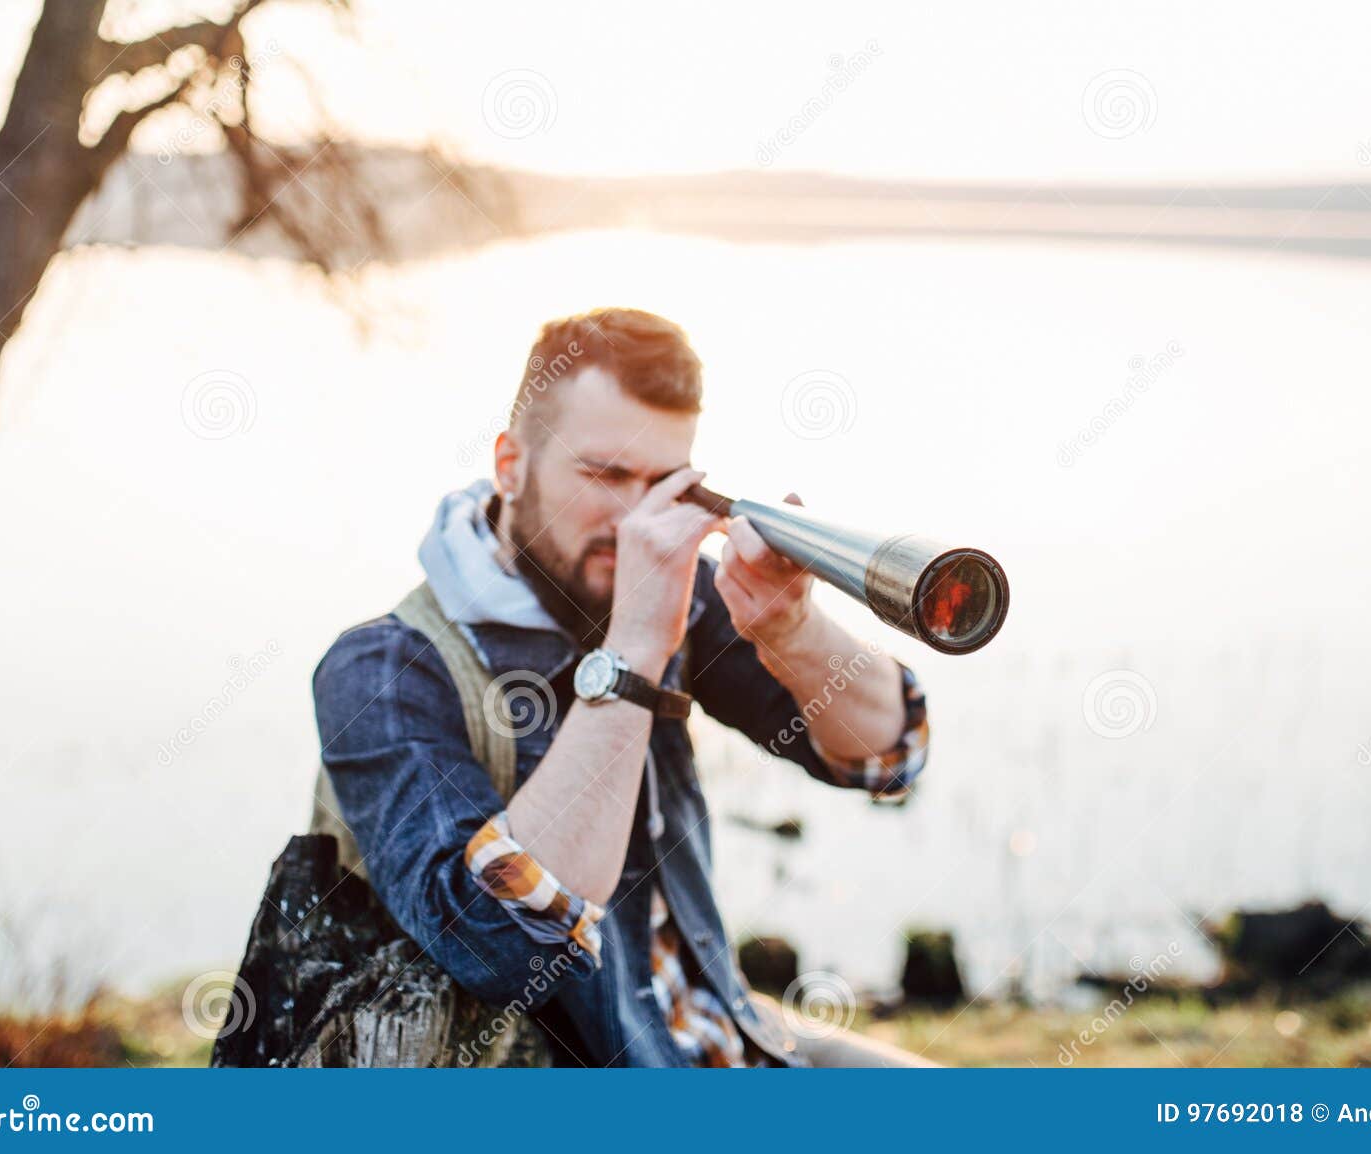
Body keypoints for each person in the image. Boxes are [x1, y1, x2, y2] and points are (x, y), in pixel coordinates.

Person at [313, 307, 934, 1066]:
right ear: (509, 464)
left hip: (718, 1030)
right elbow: (499, 947)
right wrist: (636, 651)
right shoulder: (383, 669)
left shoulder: (676, 591)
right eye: (605, 475)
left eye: (665, 484)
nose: (639, 519)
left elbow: (885, 756)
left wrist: (792, 629)